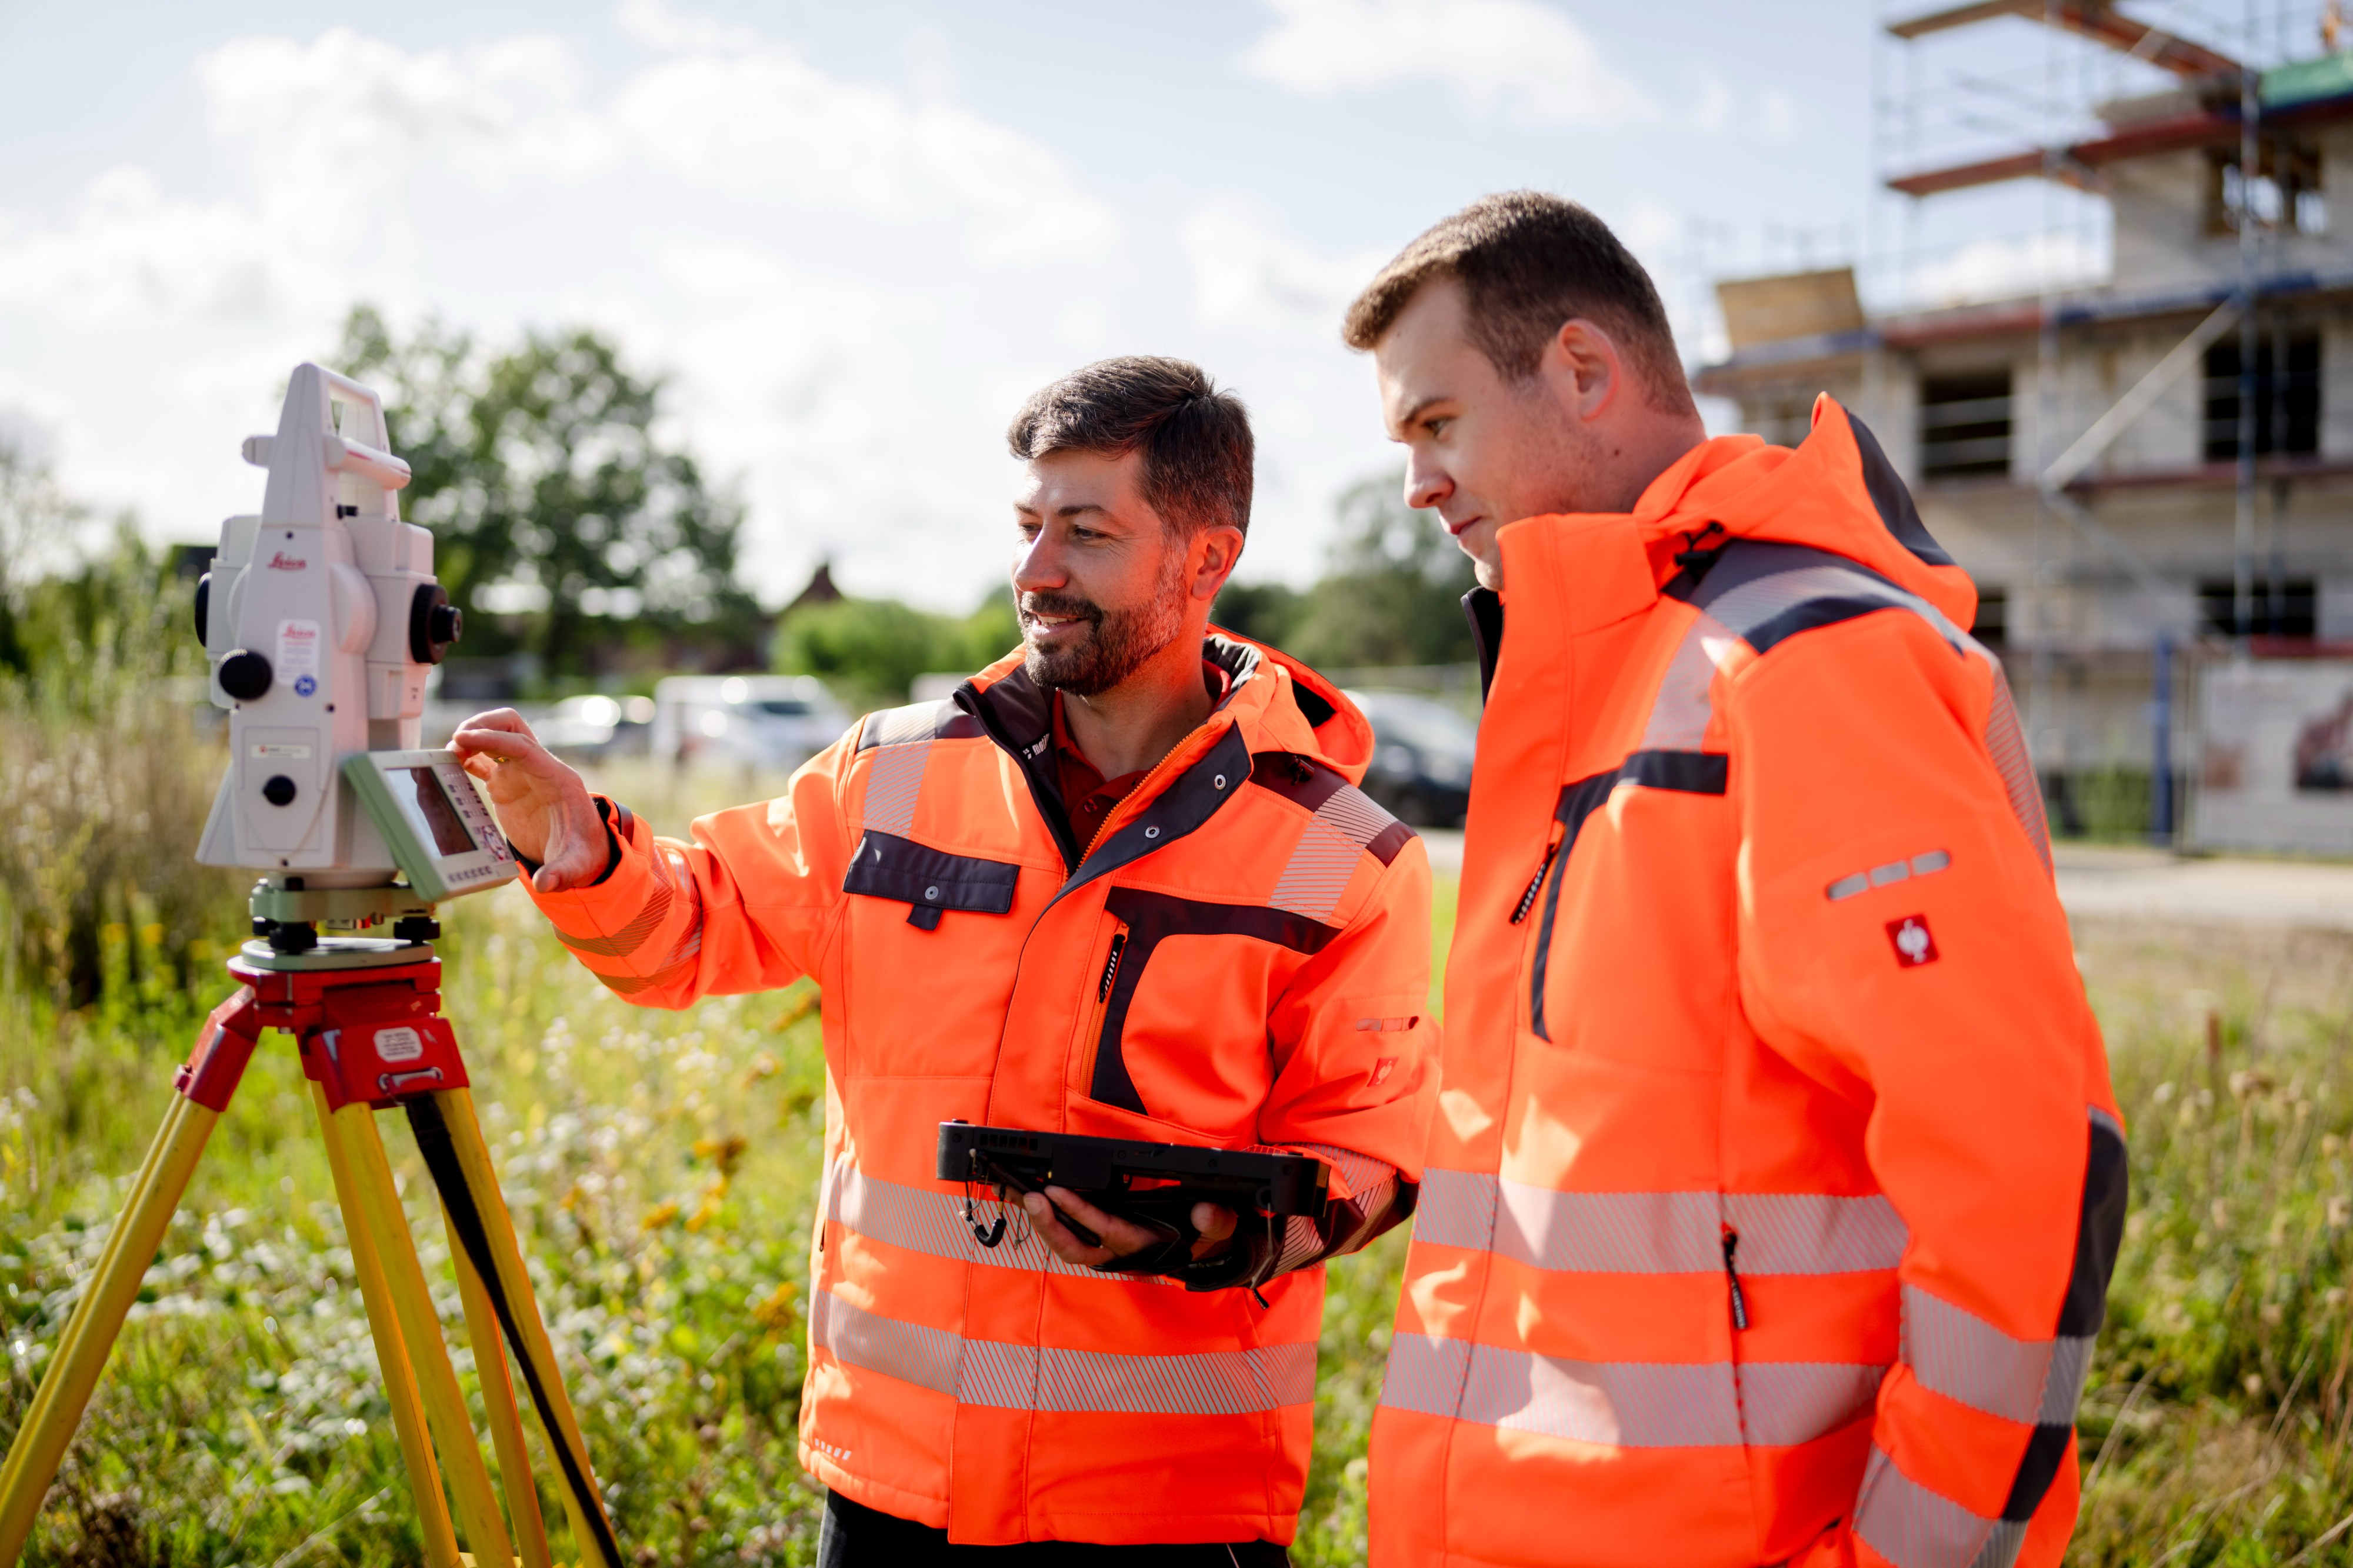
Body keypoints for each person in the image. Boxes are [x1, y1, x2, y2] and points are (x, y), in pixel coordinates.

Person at [451, 357, 1437, 1563]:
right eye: (1028, 526)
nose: (1035, 571)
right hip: (893, 1484)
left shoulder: (1345, 856)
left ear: (1204, 560)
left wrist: (1214, 1235)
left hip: (1167, 1505)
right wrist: (578, 848)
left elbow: (1370, 1155)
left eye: (1085, 532)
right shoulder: (887, 773)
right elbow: (690, 928)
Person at [1345, 192, 2125, 1568]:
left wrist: (1914, 1555)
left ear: (1582, 371)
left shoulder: (1800, 663)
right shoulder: (1605, 673)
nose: (1416, 483)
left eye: (1437, 423)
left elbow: (2022, 1162)